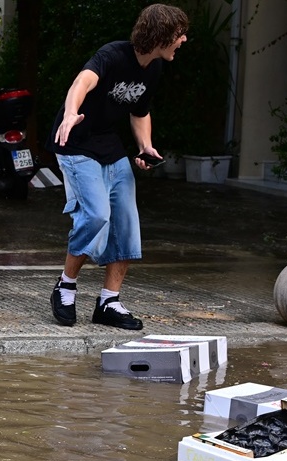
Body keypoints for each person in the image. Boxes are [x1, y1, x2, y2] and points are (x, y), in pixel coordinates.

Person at [48, 4, 188, 331]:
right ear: (161, 36)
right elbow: (81, 84)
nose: (183, 40)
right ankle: (65, 286)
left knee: (125, 223)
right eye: (179, 34)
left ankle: (109, 301)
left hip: (110, 147)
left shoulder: (153, 68)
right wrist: (70, 113)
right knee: (96, 215)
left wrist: (145, 146)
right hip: (76, 143)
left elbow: (139, 111)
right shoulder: (112, 55)